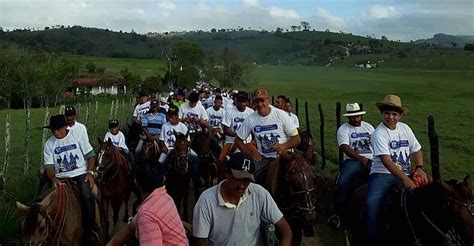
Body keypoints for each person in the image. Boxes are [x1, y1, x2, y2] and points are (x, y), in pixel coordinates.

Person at [366, 95, 428, 245]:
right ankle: (371, 239)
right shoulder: (379, 133)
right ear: (382, 114)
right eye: (387, 113)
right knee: (371, 204)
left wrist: (419, 168)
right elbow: (386, 161)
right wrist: (405, 178)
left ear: (400, 116)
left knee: (431, 195)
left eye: (394, 114)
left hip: (406, 172)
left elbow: (417, 150)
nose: (391, 117)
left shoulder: (405, 129)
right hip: (383, 174)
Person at [193, 152, 292, 246]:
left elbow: (286, 230)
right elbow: (201, 240)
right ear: (227, 174)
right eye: (238, 179)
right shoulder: (206, 200)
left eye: (246, 180)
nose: (242, 185)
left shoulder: (259, 193)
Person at [43, 114, 98, 243]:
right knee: (42, 198)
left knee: (86, 195)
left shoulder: (77, 136)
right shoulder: (49, 144)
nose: (56, 132)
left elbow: (90, 156)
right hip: (60, 177)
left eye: (58, 129)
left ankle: (90, 230)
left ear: (65, 127)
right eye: (53, 130)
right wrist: (53, 178)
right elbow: (49, 166)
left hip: (78, 174)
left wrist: (89, 172)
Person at [107, 159, 187, 246]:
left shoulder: (146, 214)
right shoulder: (164, 196)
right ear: (163, 178)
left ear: (136, 182)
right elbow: (131, 227)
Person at [235, 87, 300, 185]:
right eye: (257, 101)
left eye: (262, 100)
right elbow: (238, 139)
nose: (260, 104)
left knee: (301, 178)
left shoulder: (280, 115)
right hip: (264, 158)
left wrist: (283, 146)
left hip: (284, 156)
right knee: (250, 179)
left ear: (268, 100)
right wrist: (249, 153)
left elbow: (297, 139)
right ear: (253, 103)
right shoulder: (250, 119)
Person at [327, 103, 374, 229]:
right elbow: (344, 146)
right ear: (348, 118)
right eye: (353, 117)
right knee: (342, 182)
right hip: (353, 160)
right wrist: (359, 157)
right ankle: (338, 215)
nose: (356, 119)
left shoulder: (369, 127)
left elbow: (376, 142)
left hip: (372, 160)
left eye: (358, 116)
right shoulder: (343, 129)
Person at [159, 105, 200, 185]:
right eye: (169, 116)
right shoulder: (165, 126)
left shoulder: (183, 127)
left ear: (177, 116)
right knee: (160, 162)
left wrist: (184, 149)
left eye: (172, 116)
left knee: (195, 158)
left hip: (183, 149)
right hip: (169, 148)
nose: (170, 118)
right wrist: (164, 147)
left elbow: (187, 141)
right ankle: (162, 180)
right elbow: (161, 140)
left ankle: (196, 180)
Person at [218, 91, 254, 167]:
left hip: (247, 142)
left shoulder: (251, 112)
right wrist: (238, 135)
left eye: (243, 102)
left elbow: (254, 129)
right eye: (240, 101)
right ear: (236, 101)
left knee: (256, 158)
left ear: (246, 102)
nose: (242, 104)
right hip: (232, 142)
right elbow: (226, 130)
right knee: (221, 160)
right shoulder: (230, 111)